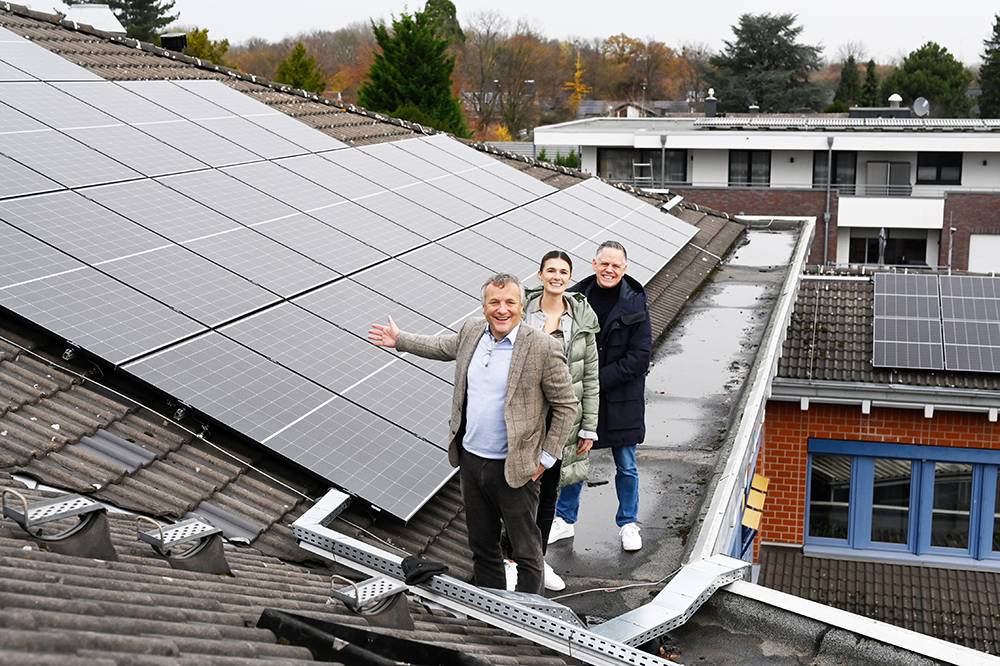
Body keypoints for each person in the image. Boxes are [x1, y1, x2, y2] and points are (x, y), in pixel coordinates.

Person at [368, 273, 578, 594]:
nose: (502, 309)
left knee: (526, 551)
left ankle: (525, 618)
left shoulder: (543, 347)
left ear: (522, 306)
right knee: (482, 547)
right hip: (471, 461)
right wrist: (401, 340)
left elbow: (567, 406)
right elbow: (441, 346)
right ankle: (492, 610)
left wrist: (547, 458)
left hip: (516, 467)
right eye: (494, 302)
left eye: (510, 302)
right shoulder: (471, 331)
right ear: (484, 306)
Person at [503, 250, 599, 592]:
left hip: (562, 423)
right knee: (519, 492)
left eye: (563, 271)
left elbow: (589, 376)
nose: (557, 276)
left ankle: (536, 559)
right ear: (541, 275)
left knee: (547, 497)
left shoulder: (582, 322)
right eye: (551, 270)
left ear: (569, 278)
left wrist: (589, 425)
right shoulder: (522, 314)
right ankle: (512, 560)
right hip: (525, 421)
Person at [548, 241, 651, 552]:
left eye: (616, 266)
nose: (609, 270)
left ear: (625, 269)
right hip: (581, 398)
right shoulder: (574, 300)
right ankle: (564, 520)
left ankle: (628, 523)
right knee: (576, 460)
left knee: (627, 464)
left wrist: (595, 380)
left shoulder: (635, 304)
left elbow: (640, 357)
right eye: (604, 264)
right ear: (593, 265)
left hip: (621, 400)